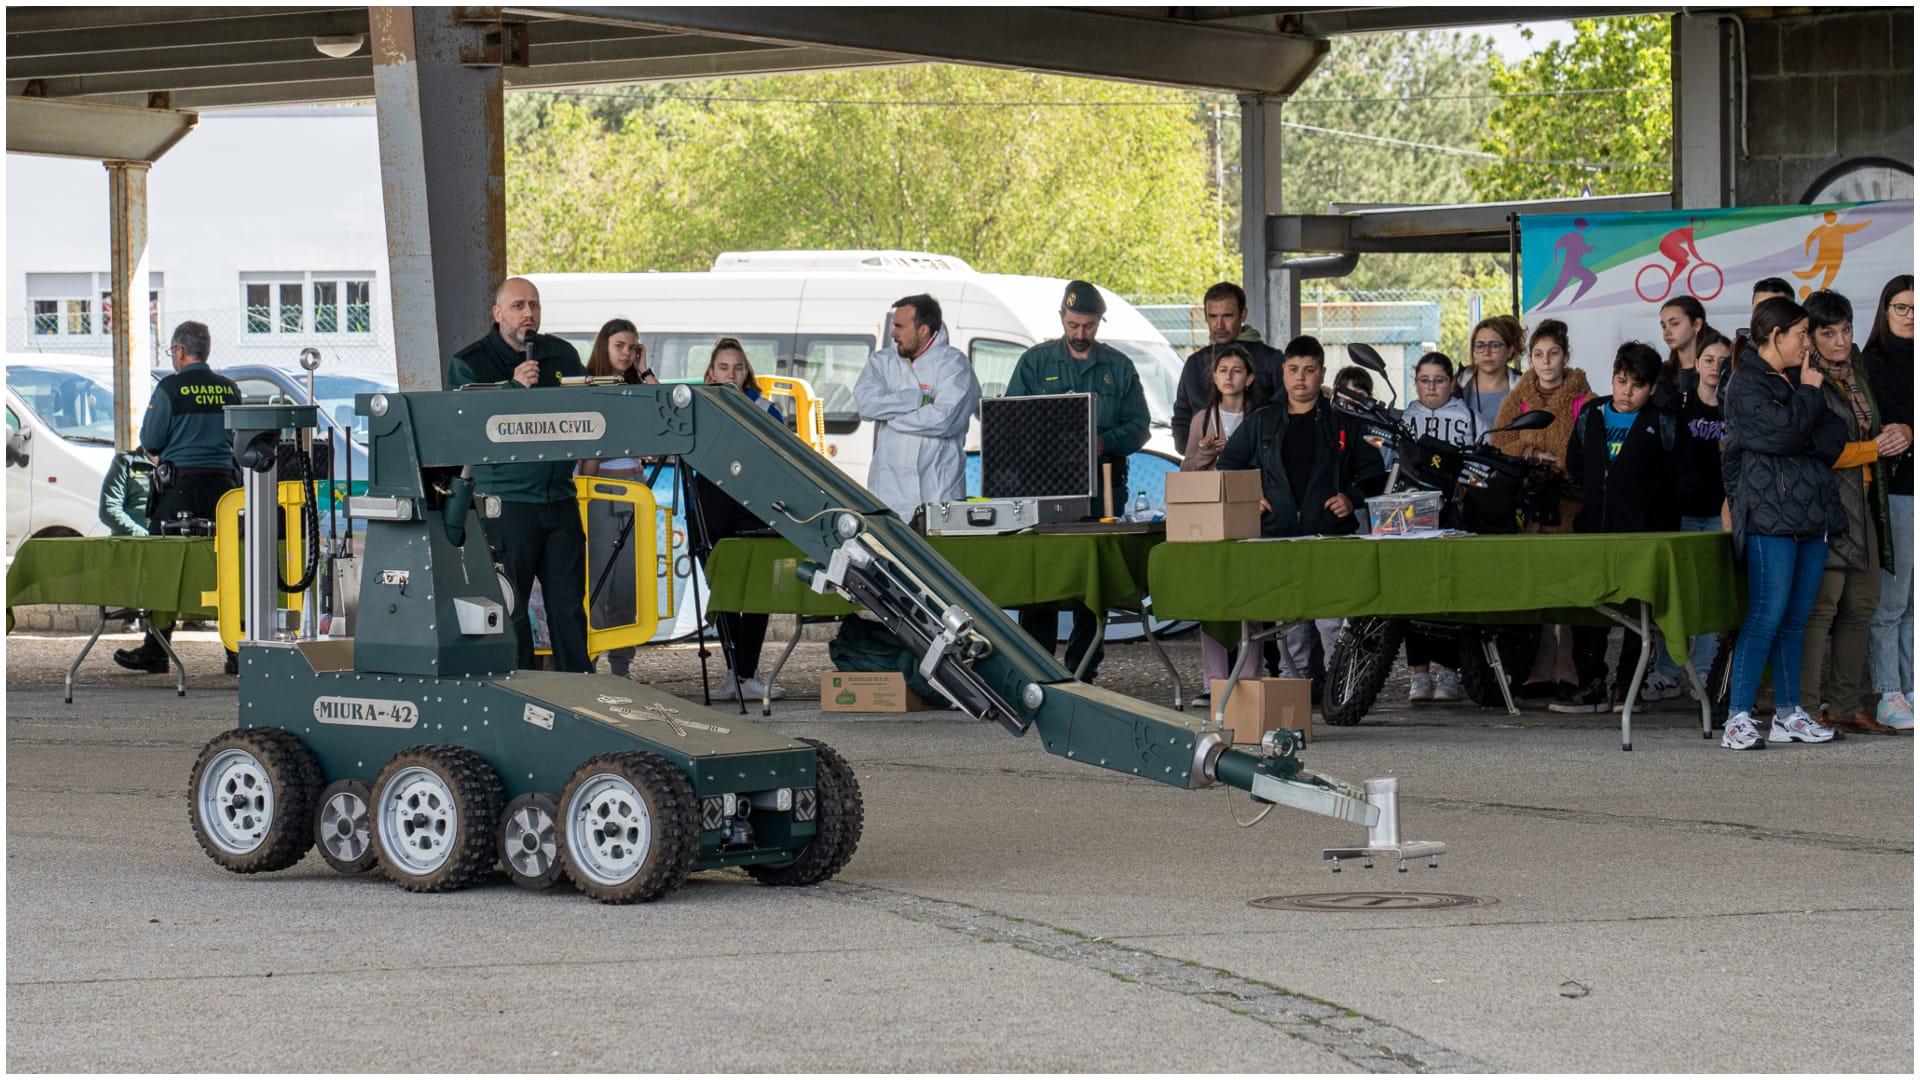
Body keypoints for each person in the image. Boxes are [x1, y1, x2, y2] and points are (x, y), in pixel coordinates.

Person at [1718, 297, 1850, 750]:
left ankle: (1789, 714)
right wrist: (1807, 403)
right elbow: (1783, 434)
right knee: (1765, 615)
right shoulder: (1745, 382)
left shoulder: (1797, 379)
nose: (1808, 342)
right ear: (1777, 336)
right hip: (1768, 519)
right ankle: (1737, 717)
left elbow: (1834, 436)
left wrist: (1799, 421)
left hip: (1811, 515)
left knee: (1796, 619)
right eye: (1801, 334)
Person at [1005, 280, 1150, 682]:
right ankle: (1038, 667)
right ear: (1061, 319)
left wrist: (1103, 441)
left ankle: (1084, 669)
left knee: (1094, 579)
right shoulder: (1035, 363)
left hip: (1103, 485)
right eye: (1073, 324)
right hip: (1044, 486)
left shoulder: (1118, 366)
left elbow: (1140, 426)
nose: (1080, 333)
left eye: (1088, 325)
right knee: (1041, 578)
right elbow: (1009, 421)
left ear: (1099, 323)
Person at [1217, 336, 1385, 679]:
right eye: (1293, 369)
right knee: (1290, 623)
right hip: (1278, 535)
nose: (1300, 378)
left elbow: (1375, 473)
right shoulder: (1262, 421)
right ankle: (1294, 688)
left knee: (1331, 621)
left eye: (1309, 370)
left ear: (1321, 372)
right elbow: (1228, 464)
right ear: (1283, 372)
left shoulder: (1344, 422)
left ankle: (1338, 688)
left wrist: (1351, 497)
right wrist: (1252, 496)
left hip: (1329, 536)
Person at [447, 277, 590, 673]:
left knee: (568, 609)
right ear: (497, 314)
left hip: (559, 500)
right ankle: (518, 688)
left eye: (534, 305)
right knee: (511, 609)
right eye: (518, 306)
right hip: (506, 506)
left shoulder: (561, 355)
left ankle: (579, 689)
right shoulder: (469, 363)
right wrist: (511, 388)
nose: (528, 313)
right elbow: (461, 426)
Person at [1553, 342, 1683, 713]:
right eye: (1621, 381)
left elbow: (1675, 477)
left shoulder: (1663, 422)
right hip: (1593, 531)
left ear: (1652, 388)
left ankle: (1629, 687)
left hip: (1642, 535)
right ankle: (1590, 684)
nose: (1627, 392)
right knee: (1589, 609)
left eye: (1638, 385)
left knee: (1637, 614)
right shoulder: (1590, 414)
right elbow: (1576, 465)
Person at [1800, 290, 1905, 735]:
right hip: (1825, 504)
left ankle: (1845, 704)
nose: (1841, 341)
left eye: (1846, 330)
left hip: (1864, 500)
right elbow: (1816, 449)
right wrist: (1873, 449)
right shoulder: (1805, 379)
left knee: (1861, 604)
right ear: (1810, 337)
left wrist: (1902, 433)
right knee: (1822, 607)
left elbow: (1874, 432)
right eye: (1829, 333)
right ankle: (1804, 708)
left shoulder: (1856, 372)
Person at [118, 321, 241, 674]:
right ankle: (236, 651)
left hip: (179, 489)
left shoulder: (170, 388)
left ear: (181, 351)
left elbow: (152, 441)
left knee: (163, 565)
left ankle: (156, 650)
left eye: (172, 351)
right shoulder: (229, 389)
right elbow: (238, 439)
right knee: (226, 566)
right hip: (224, 490)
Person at [1489, 319, 1594, 697]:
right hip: (1530, 508)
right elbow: (1499, 441)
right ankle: (1541, 663)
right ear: (1529, 358)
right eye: (1538, 354)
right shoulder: (1517, 398)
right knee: (1539, 589)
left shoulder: (1586, 399)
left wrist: (1563, 463)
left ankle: (1568, 664)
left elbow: (1592, 448)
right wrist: (1530, 451)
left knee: (1570, 588)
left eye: (1553, 353)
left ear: (1565, 356)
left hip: (1569, 507)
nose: (1546, 361)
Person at [688, 338, 787, 702]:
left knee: (757, 591)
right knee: (724, 589)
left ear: (747, 372)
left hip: (754, 505)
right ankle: (736, 672)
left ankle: (747, 672)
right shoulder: (697, 407)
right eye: (724, 367)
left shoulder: (765, 409)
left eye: (738, 367)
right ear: (711, 373)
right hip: (709, 505)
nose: (731, 374)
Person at [1179, 345, 1266, 693]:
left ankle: (1250, 679)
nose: (1229, 377)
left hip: (1251, 516)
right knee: (1213, 599)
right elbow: (1187, 473)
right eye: (1223, 370)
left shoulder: (1261, 417)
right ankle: (1213, 683)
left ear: (1250, 378)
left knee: (1251, 599)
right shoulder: (1202, 419)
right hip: (1212, 519)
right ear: (1214, 378)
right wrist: (1204, 453)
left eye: (1237, 370)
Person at [853, 293, 981, 520]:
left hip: (938, 493)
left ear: (923, 330)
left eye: (900, 327)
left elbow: (944, 420)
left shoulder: (955, 365)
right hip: (888, 495)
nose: (893, 334)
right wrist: (916, 400)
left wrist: (890, 416)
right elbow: (866, 405)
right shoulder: (882, 362)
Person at [576, 318, 655, 679]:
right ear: (603, 347)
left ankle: (622, 665)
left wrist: (645, 370)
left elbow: (667, 414)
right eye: (619, 346)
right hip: (600, 487)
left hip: (635, 485)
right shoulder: (590, 387)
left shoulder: (635, 386)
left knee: (629, 582)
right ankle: (590, 659)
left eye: (632, 347)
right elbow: (587, 456)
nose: (626, 353)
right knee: (598, 580)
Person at [1400, 352, 1478, 702]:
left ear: (1452, 382)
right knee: (1412, 592)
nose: (1431, 387)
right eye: (1424, 380)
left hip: (1452, 516)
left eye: (1439, 380)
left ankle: (1448, 671)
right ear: (1415, 382)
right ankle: (1419, 673)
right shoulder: (1406, 419)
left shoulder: (1469, 418)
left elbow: (1480, 464)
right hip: (1410, 517)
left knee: (1448, 591)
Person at [1663, 327, 1734, 692]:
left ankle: (1704, 670)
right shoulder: (1678, 405)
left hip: (1720, 513)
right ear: (1697, 363)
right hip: (1683, 512)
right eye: (1709, 360)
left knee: (1709, 594)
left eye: (1723, 362)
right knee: (1675, 594)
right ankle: (1665, 671)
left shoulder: (1737, 408)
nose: (1715, 368)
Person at [1861, 274, 1915, 730]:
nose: (1910, 316)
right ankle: (1887, 692)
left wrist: (1911, 430)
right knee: (1892, 600)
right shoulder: (1870, 362)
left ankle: (1911, 687)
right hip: (1895, 490)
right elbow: (1883, 428)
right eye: (1902, 307)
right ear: (1885, 310)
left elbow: (1904, 426)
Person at [1170, 281, 1283, 452]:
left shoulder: (1269, 360)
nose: (1219, 325)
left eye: (1227, 316)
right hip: (1205, 463)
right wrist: (1195, 451)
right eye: (1213, 316)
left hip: (1256, 463)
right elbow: (1182, 416)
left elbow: (1284, 412)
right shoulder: (1195, 364)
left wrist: (1263, 454)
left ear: (1243, 314)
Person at [101, 449, 170, 672]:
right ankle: (155, 652)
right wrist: (144, 537)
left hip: (169, 548)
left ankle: (234, 652)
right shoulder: (126, 463)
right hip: (136, 550)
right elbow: (109, 510)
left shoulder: (180, 461)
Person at [1459, 314, 1523, 436]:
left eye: (1494, 345)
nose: (1486, 352)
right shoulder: (1455, 385)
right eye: (1480, 346)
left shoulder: (1525, 386)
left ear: (1510, 350)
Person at [1657, 295, 1717, 403]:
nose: (1667, 332)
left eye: (1674, 324)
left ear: (1696, 324)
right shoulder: (1662, 372)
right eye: (1664, 326)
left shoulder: (1716, 370)